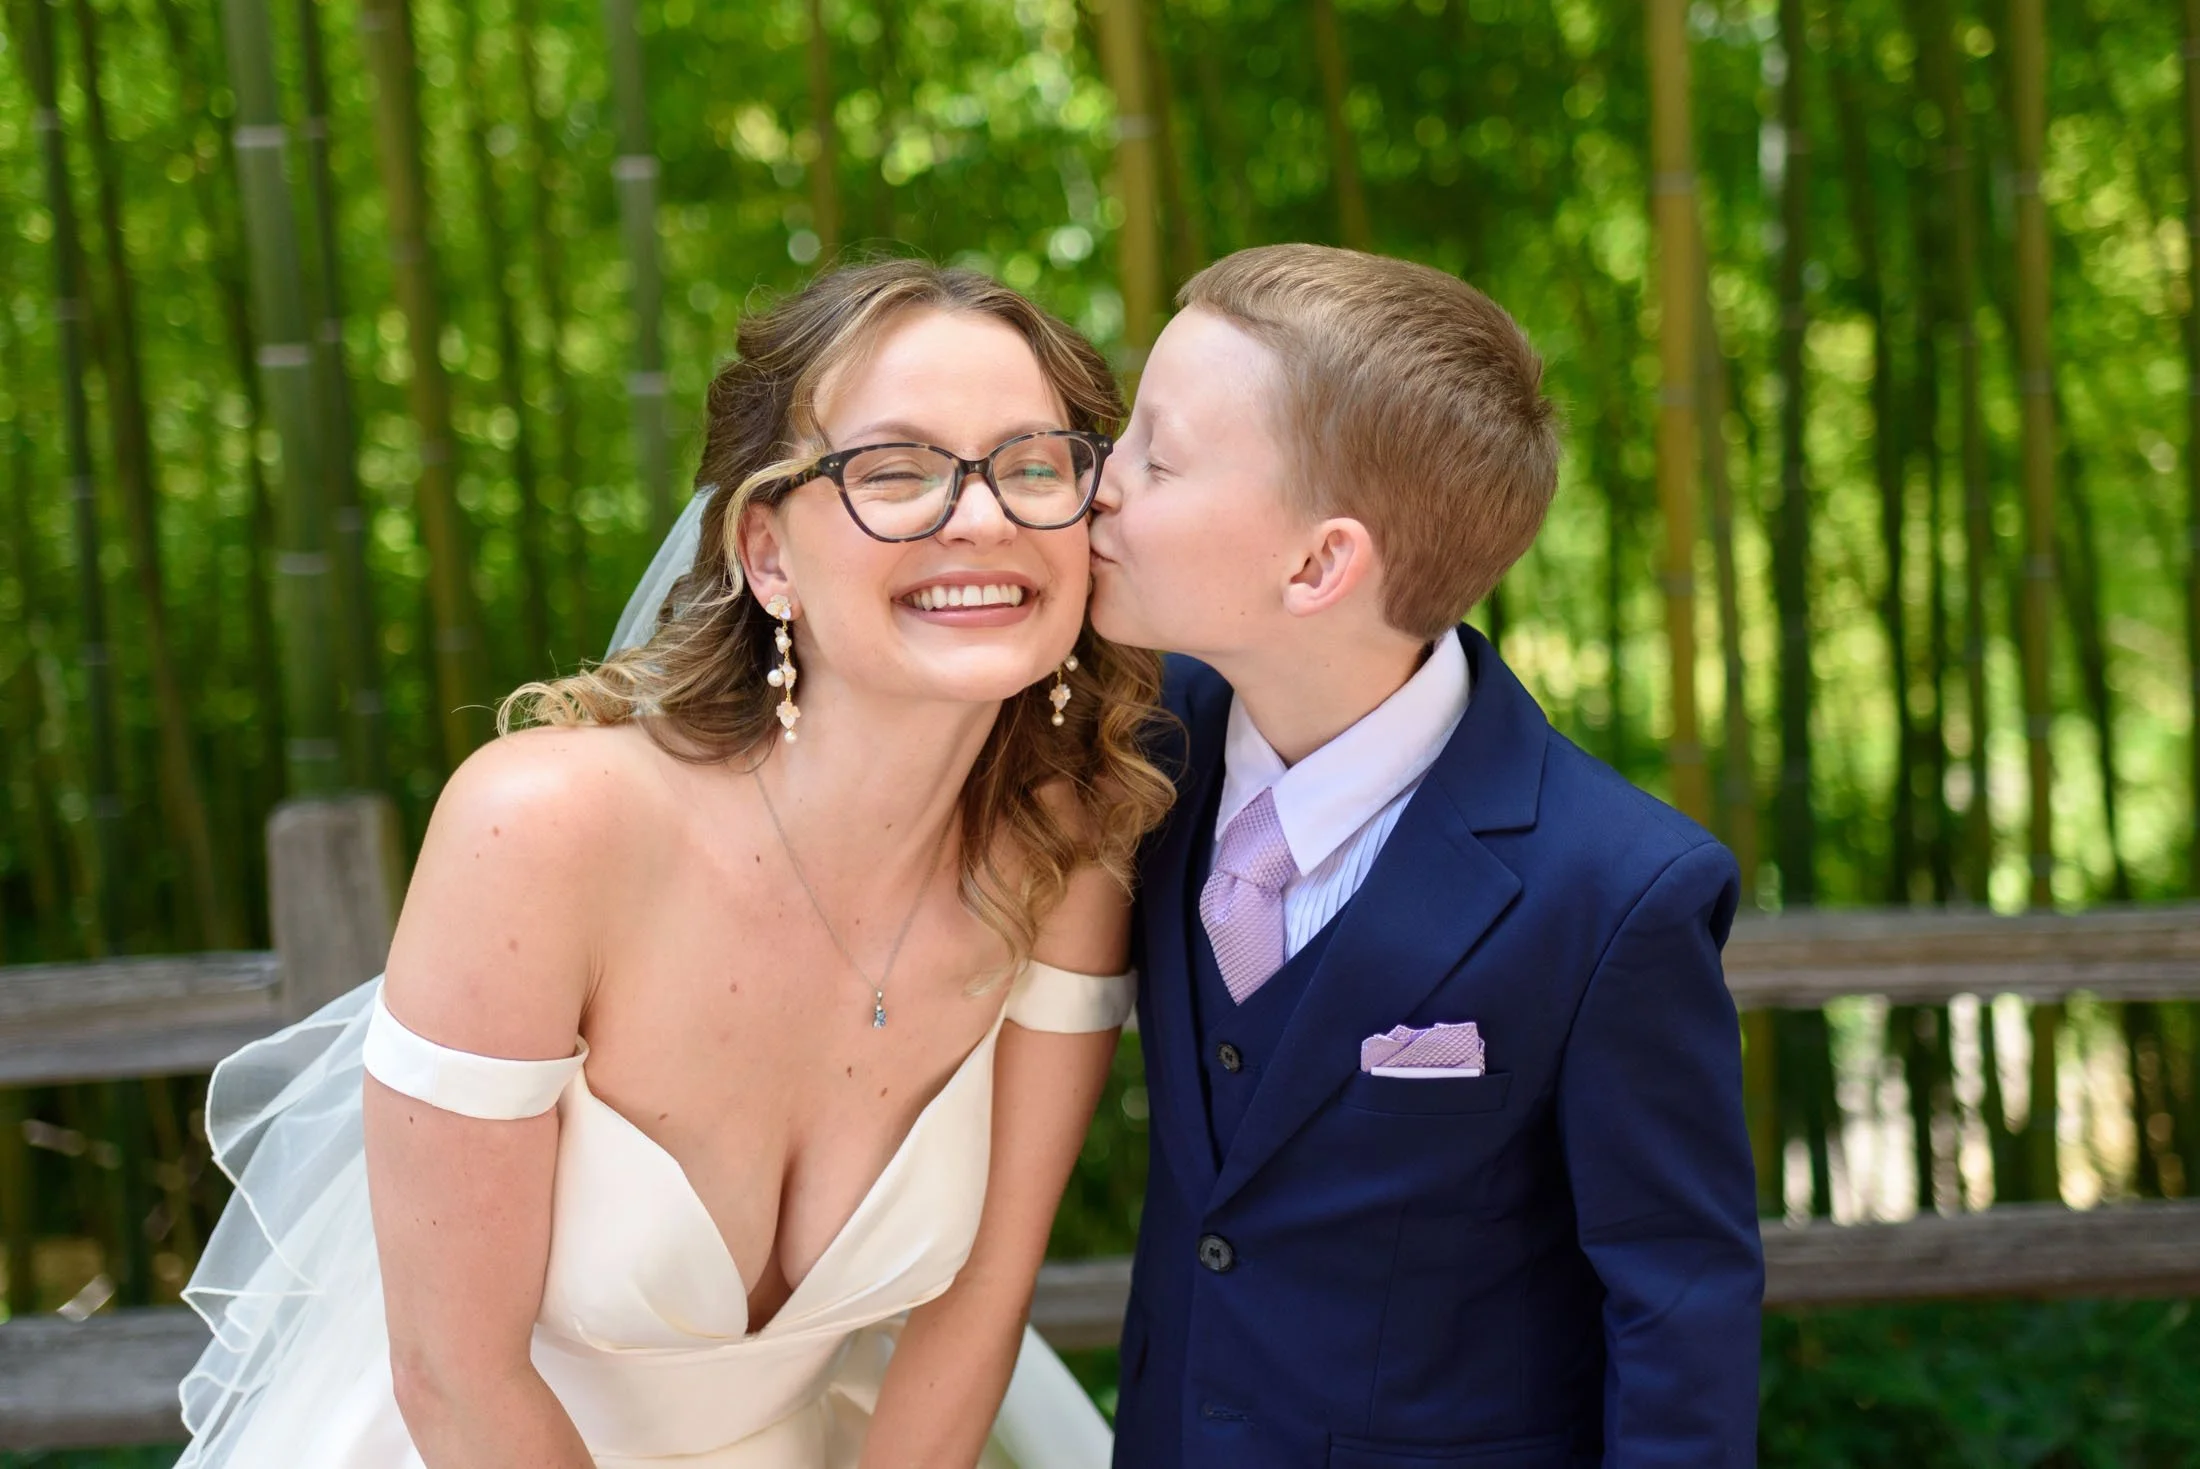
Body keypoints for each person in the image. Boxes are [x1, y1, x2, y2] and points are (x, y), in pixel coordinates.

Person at [175, 259, 1175, 1469]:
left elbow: (978, 1310)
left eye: (1031, 465)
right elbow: (454, 1372)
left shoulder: (1068, 859)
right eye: (895, 471)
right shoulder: (544, 828)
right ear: (767, 554)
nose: (982, 517)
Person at [1088, 243, 1764, 1468]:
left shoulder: (1611, 890)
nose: (1099, 482)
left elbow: (1678, 1312)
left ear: (1317, 564)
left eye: (1155, 454)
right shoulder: (1133, 748)